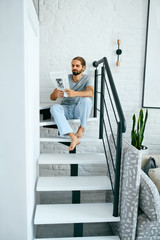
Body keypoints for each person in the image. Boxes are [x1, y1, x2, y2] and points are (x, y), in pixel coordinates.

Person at [50, 56, 94, 151]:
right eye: (73, 65)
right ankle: (72, 137)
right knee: (54, 108)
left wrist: (75, 93)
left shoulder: (87, 78)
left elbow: (91, 93)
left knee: (87, 100)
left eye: (77, 66)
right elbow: (52, 98)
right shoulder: (65, 78)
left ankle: (81, 129)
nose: (74, 68)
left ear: (83, 68)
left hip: (78, 109)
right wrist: (56, 94)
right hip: (65, 108)